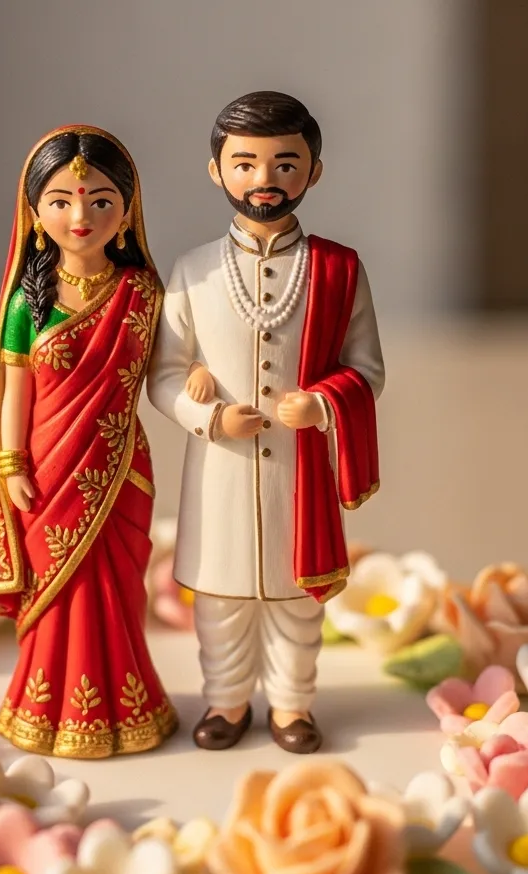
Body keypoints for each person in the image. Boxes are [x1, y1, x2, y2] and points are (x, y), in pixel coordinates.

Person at [147, 91, 385, 754]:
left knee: (296, 603)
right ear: (216, 171)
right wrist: (208, 414)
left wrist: (323, 404)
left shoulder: (339, 269)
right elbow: (162, 376)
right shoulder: (192, 272)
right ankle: (225, 703)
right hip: (218, 475)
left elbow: (367, 368)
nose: (265, 180)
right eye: (246, 163)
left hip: (299, 478)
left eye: (285, 163)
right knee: (220, 604)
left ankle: (290, 707)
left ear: (314, 172)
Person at [0, 126, 177, 759]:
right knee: (57, 593)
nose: (81, 216)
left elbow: (169, 367)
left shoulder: (140, 293)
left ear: (128, 209)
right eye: (61, 201)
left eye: (100, 200)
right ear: (35, 215)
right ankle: (43, 706)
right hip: (47, 475)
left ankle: (130, 701)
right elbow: (13, 392)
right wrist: (11, 462)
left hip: (117, 469)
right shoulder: (28, 303)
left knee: (117, 587)